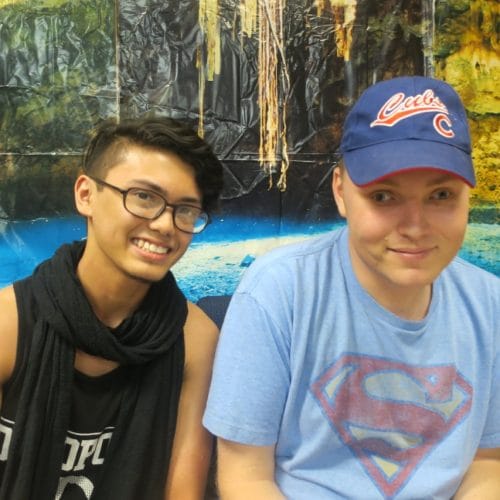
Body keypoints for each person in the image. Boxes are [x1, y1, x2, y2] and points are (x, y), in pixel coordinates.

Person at [203, 76, 500, 499]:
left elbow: (487, 461)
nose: (415, 227)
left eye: (440, 195)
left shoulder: (490, 304)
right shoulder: (278, 292)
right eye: (383, 197)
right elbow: (245, 478)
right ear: (341, 193)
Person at [0, 116, 224, 499]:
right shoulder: (10, 323)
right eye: (144, 197)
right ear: (86, 195)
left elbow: (182, 491)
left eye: (186, 209)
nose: (166, 225)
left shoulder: (195, 339)